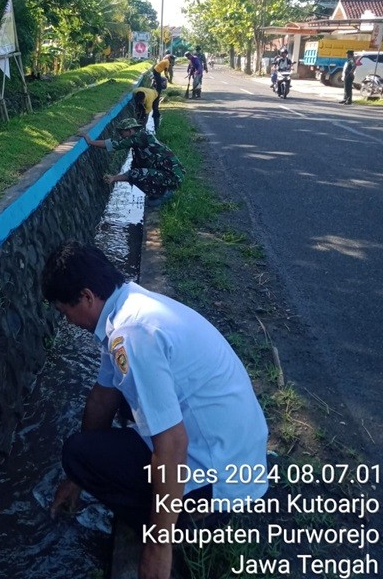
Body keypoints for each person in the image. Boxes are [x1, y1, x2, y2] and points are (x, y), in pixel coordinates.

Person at [43, 241, 269, 579]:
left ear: (87, 297)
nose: (68, 321)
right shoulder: (131, 307)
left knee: (77, 452)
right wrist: (74, 481)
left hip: (218, 488)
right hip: (239, 461)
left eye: (65, 312)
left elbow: (173, 445)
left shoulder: (132, 334)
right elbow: (102, 397)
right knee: (105, 425)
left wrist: (157, 546)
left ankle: (184, 524)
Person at [83, 118, 184, 207]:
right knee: (135, 170)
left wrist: (90, 142)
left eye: (122, 133)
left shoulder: (138, 137)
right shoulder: (141, 137)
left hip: (172, 176)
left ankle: (164, 193)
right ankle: (158, 192)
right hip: (168, 174)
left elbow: (115, 144)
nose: (121, 136)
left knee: (136, 174)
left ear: (130, 131)